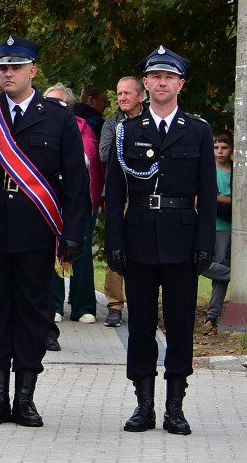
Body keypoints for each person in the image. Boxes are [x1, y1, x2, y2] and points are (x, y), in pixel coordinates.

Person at [0, 35, 87, 427]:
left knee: (34, 314)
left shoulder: (57, 115)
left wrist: (73, 232)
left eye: (15, 67)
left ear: (33, 71)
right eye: (2, 67)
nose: (7, 74)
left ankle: (25, 399)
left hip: (36, 233)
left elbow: (75, 180)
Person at [105, 45, 216, 436]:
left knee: (181, 322)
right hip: (138, 235)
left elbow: (206, 188)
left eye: (169, 77)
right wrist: (114, 240)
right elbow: (114, 193)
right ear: (146, 84)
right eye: (155, 76)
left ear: (180, 84)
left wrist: (206, 243)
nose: (162, 82)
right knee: (140, 324)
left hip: (183, 237)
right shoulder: (127, 131)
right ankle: (144, 404)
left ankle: (175, 406)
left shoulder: (199, 131)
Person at [43, 84, 102, 351]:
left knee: (81, 253)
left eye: (58, 103)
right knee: (50, 254)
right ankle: (53, 305)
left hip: (80, 200)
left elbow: (91, 162)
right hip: (48, 202)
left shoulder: (83, 128)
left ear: (68, 106)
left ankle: (83, 306)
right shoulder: (38, 124)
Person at [98, 76, 145, 327]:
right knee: (116, 249)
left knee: (144, 251)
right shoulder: (112, 124)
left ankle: (140, 304)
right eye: (119, 94)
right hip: (117, 195)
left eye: (127, 93)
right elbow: (105, 154)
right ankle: (115, 305)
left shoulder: (151, 123)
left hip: (143, 196)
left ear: (140, 96)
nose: (123, 98)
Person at [202, 129, 233, 329]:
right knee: (196, 263)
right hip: (205, 224)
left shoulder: (237, 170)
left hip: (227, 227)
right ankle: (237, 278)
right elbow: (199, 197)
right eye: (216, 147)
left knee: (219, 269)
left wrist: (215, 198)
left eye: (224, 147)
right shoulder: (206, 169)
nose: (219, 151)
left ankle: (212, 316)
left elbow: (237, 200)